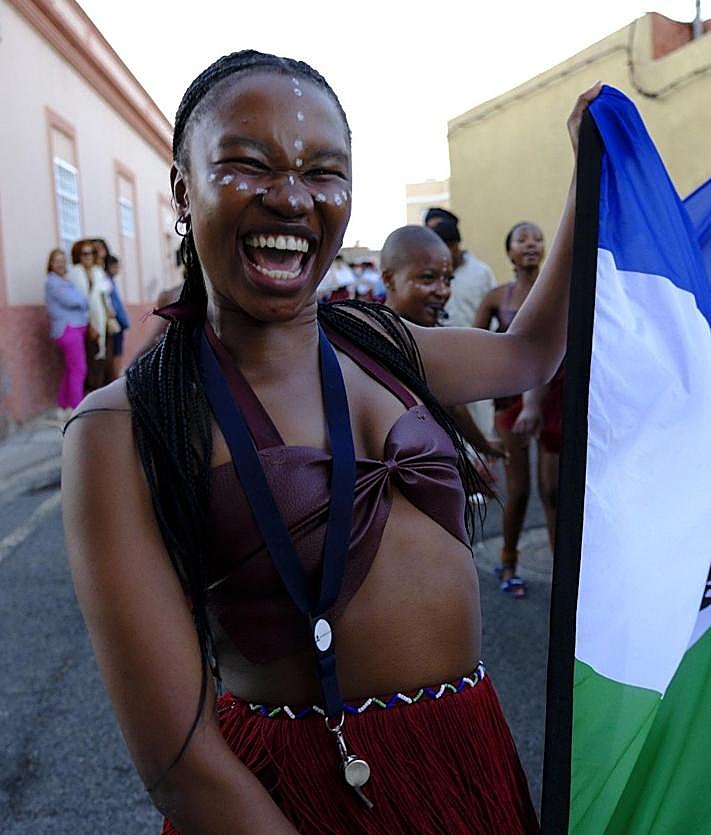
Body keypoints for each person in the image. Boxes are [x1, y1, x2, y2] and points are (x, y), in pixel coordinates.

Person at [62, 48, 598, 834]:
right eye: (249, 164)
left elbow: (530, 352)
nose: (291, 198)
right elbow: (179, 763)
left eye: (323, 172)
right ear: (183, 189)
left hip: (468, 762)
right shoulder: (123, 426)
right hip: (292, 799)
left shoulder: (386, 344)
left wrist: (588, 170)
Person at [474, 222, 563, 598]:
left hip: (556, 399)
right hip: (511, 404)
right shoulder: (497, 297)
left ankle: (564, 573)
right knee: (520, 490)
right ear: (509, 252)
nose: (532, 244)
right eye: (522, 239)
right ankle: (508, 561)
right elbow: (475, 344)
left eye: (538, 239)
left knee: (554, 490)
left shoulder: (560, 290)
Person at [380, 224, 504, 469]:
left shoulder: (431, 336)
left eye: (447, 280)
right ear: (389, 279)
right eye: (427, 278)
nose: (443, 291)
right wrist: (483, 448)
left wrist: (482, 448)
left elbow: (454, 407)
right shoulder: (371, 335)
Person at [45, 248, 89, 417]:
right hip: (67, 329)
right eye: (57, 260)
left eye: (63, 260)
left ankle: (63, 406)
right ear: (51, 263)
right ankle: (78, 410)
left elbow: (80, 299)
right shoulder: (52, 281)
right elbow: (73, 300)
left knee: (71, 369)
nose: (61, 263)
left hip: (76, 328)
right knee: (79, 369)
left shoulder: (66, 281)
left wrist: (81, 300)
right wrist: (82, 300)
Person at [68, 240, 114, 392]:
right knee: (90, 358)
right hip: (83, 321)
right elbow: (78, 300)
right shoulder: (74, 273)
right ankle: (91, 393)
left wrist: (108, 310)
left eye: (91, 253)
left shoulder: (98, 271)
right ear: (78, 256)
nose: (89, 256)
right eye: (85, 253)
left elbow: (105, 295)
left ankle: (102, 392)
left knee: (103, 359)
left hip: (102, 319)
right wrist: (90, 323)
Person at [104, 255, 131, 380]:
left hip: (119, 321)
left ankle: (115, 376)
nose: (117, 269)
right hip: (115, 321)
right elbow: (113, 304)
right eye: (115, 266)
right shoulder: (106, 282)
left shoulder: (112, 281)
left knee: (117, 351)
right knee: (116, 352)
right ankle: (114, 378)